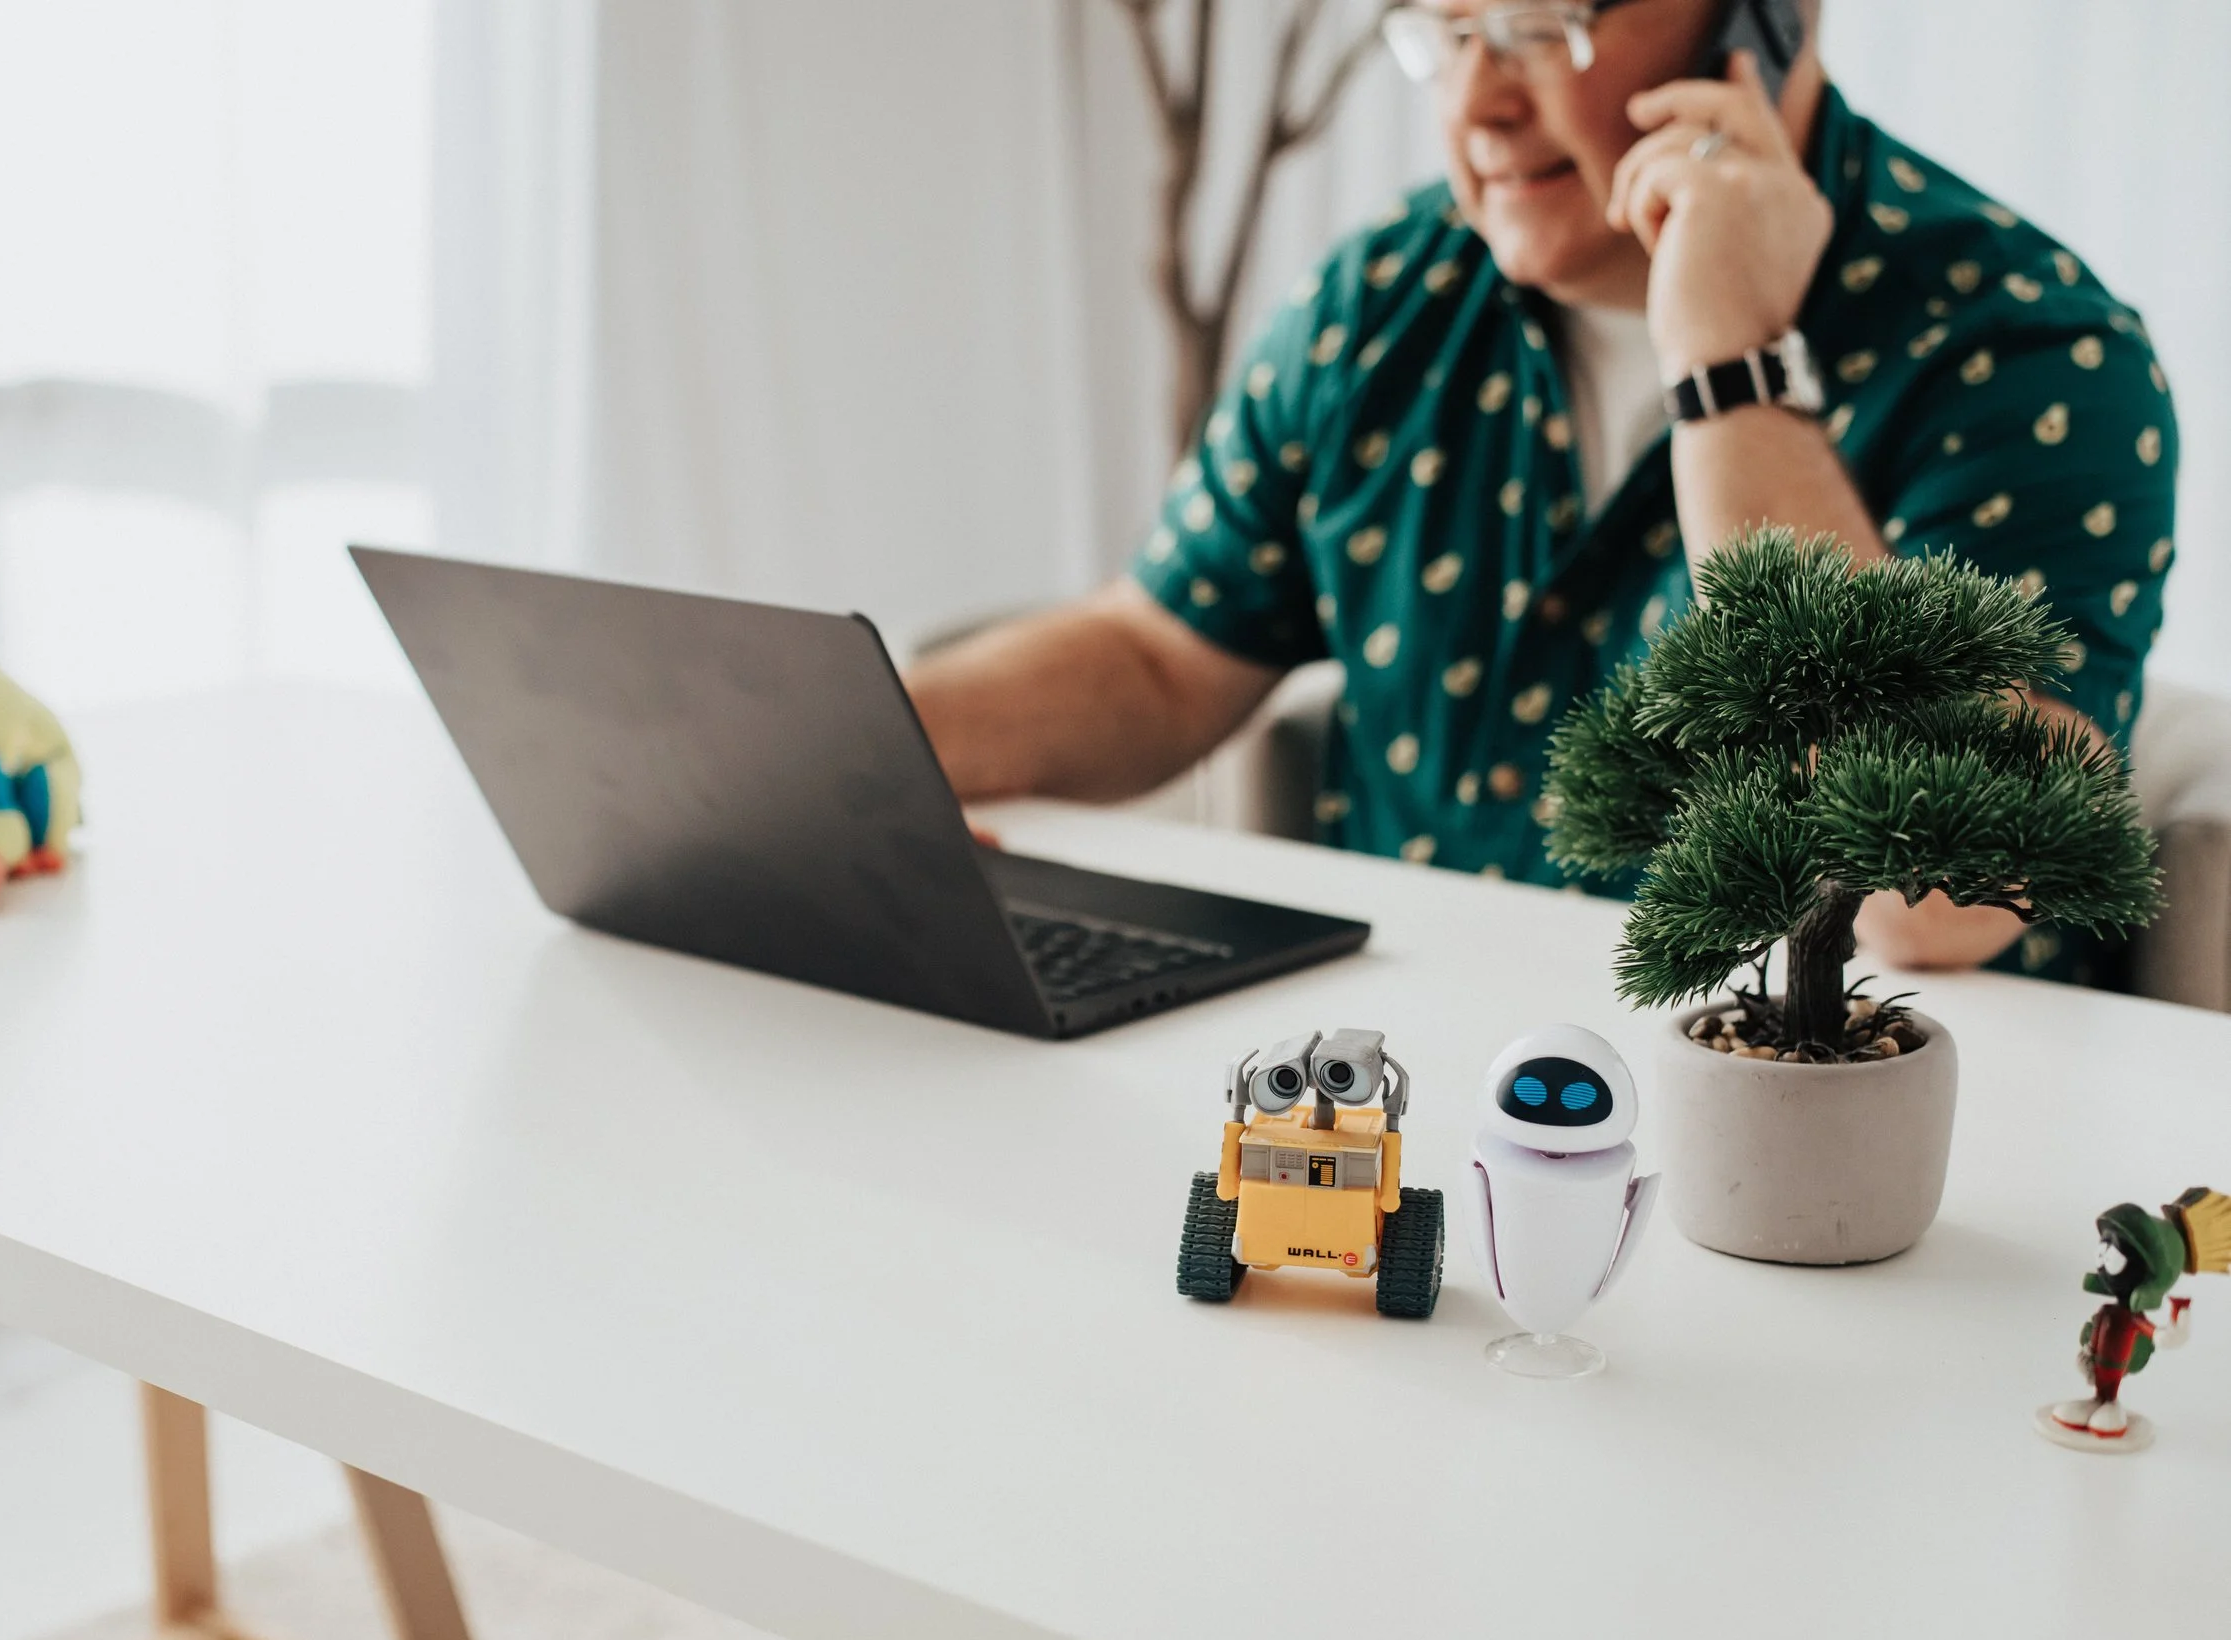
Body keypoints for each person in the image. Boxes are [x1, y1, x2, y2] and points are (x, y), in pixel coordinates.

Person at [905, 0, 2176, 983]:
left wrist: (1729, 364)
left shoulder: (2024, 351)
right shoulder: (1382, 301)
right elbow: (1160, 655)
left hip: (1855, 1173)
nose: (1476, 106)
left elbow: (1938, 896)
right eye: (1445, 30)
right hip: (1414, 1087)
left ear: (1762, 25)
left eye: (1535, 26)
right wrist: (866, 756)